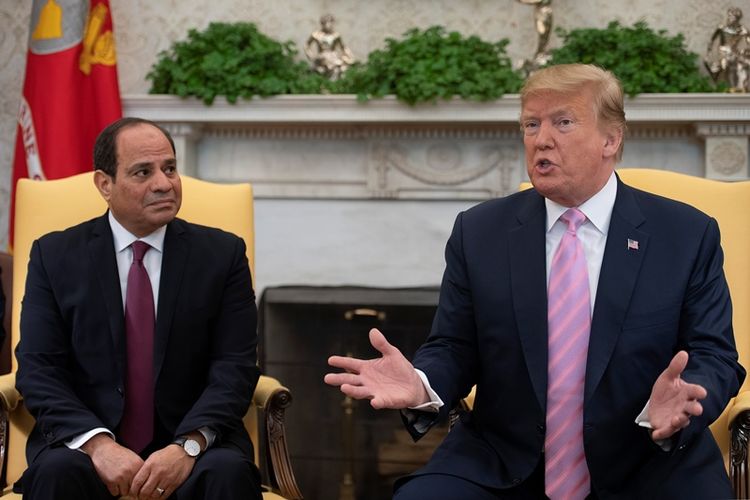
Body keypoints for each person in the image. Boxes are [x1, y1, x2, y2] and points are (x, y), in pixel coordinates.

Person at [325, 64, 745, 499]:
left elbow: (714, 354)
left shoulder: (684, 234)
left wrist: (684, 401)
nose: (541, 139)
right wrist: (422, 384)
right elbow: (454, 346)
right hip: (503, 460)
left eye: (563, 122)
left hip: (649, 461)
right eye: (531, 123)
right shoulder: (480, 231)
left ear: (611, 138)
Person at [15, 117, 262, 499]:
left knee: (227, 474)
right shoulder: (54, 255)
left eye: (170, 168)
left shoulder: (222, 255)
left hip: (195, 443)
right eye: (143, 172)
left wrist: (188, 445)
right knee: (58, 473)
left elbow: (235, 367)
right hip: (86, 443)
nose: (164, 183)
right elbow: (39, 368)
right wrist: (99, 445)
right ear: (104, 184)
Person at [705, 7, 750, 91]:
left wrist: (746, 51)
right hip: (723, 52)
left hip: (734, 52)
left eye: (732, 17)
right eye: (729, 16)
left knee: (741, 65)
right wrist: (709, 52)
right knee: (724, 66)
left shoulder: (743, 30)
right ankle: (725, 87)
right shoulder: (722, 27)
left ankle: (738, 87)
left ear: (737, 19)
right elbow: (712, 40)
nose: (729, 18)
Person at [305, 13, 354, 81]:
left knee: (342, 67)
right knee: (330, 66)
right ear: (322, 24)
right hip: (322, 56)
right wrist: (311, 56)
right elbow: (307, 46)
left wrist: (349, 56)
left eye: (330, 22)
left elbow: (343, 47)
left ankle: (336, 86)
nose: (328, 25)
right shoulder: (316, 35)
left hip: (333, 56)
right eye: (326, 23)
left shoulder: (336, 35)